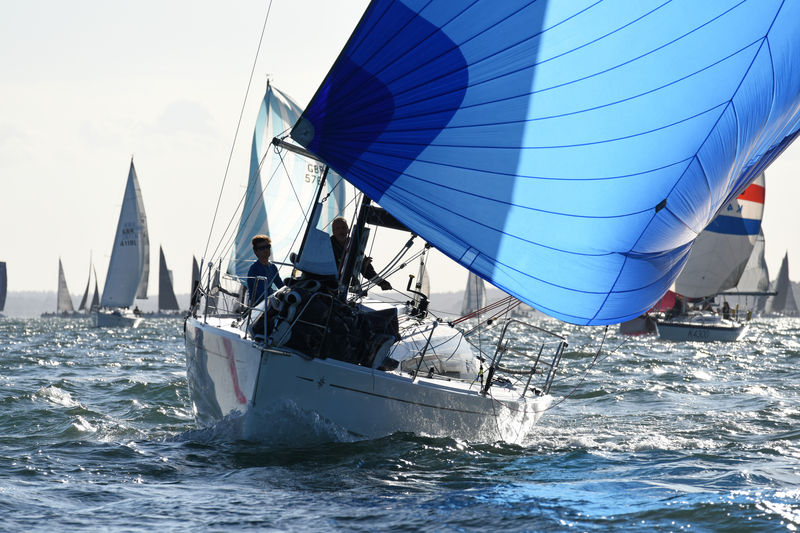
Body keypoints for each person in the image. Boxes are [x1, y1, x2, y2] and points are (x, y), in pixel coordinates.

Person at [330, 216, 392, 290]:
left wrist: (381, 283)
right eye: (337, 228)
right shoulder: (325, 245)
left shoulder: (354, 245)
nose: (341, 231)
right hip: (330, 285)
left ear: (348, 230)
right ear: (333, 231)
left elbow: (368, 271)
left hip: (350, 287)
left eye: (344, 227)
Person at [247, 234, 285, 305]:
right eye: (262, 248)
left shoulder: (273, 267)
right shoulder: (254, 269)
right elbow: (262, 293)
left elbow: (281, 286)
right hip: (258, 306)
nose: (266, 250)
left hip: (269, 302)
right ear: (256, 251)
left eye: (268, 247)